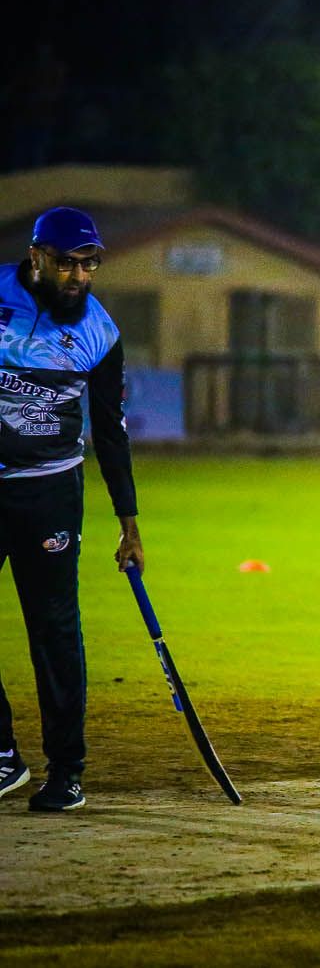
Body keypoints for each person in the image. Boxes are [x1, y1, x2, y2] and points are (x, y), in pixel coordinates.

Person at [1, 207, 145, 812]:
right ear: (36, 256)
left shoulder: (99, 332)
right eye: (67, 263)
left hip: (50, 492)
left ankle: (66, 772)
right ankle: (3, 756)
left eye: (89, 265)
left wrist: (129, 524)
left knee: (54, 629)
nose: (79, 276)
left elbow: (110, 430)